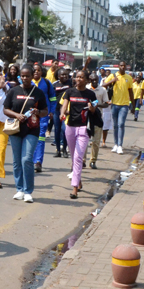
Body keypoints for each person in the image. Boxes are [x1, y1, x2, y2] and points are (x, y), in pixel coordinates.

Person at [3, 65, 48, 203]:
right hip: (15, 129)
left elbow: (45, 110)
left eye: (27, 76)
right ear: (20, 76)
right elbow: (5, 109)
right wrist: (17, 115)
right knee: (17, 161)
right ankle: (19, 189)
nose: (25, 78)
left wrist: (38, 112)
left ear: (32, 76)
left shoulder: (38, 92)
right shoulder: (13, 91)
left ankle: (28, 191)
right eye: (22, 76)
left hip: (32, 130)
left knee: (27, 159)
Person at [60, 70, 98, 199]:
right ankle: (79, 180)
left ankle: (74, 187)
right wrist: (62, 113)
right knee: (73, 157)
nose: (79, 79)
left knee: (78, 158)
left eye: (82, 77)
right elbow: (64, 105)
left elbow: (94, 109)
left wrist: (91, 107)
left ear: (87, 80)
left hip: (83, 128)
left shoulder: (91, 94)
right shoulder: (70, 92)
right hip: (70, 127)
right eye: (77, 77)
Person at [102, 62, 135, 154]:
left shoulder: (128, 78)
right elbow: (103, 85)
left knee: (121, 124)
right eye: (121, 65)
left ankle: (120, 145)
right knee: (115, 125)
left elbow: (131, 92)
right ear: (118, 67)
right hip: (114, 104)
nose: (122, 67)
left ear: (126, 67)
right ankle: (115, 144)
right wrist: (112, 81)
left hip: (124, 105)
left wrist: (133, 105)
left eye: (124, 66)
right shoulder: (113, 75)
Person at [32, 63, 57, 173]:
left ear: (42, 72)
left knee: (41, 137)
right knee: (31, 137)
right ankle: (30, 160)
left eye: (38, 70)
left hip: (43, 115)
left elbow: (52, 98)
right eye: (34, 70)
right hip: (29, 115)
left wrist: (51, 111)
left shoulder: (47, 83)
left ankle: (38, 162)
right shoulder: (28, 82)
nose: (36, 72)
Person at [89, 74, 110, 170]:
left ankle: (93, 161)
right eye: (92, 79)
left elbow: (106, 104)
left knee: (96, 141)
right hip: (86, 118)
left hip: (97, 117)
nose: (94, 81)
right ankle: (83, 160)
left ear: (98, 80)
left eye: (95, 80)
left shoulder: (102, 90)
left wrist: (97, 105)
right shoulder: (86, 89)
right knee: (84, 141)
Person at [51, 68, 72, 158]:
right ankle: (58, 150)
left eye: (65, 74)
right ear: (58, 76)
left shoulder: (70, 83)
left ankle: (65, 149)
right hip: (56, 110)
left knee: (65, 130)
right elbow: (51, 97)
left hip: (66, 110)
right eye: (62, 75)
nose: (64, 76)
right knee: (57, 130)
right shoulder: (54, 84)